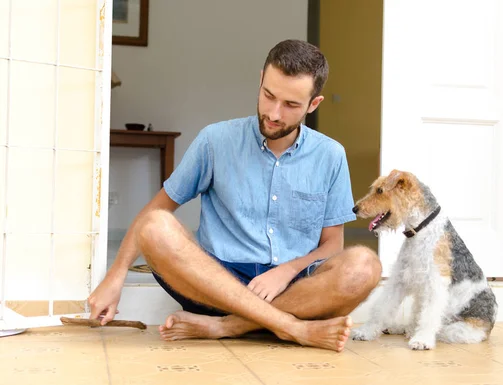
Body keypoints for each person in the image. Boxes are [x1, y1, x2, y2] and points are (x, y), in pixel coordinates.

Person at [88, 39, 382, 352]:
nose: (273, 113)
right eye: (268, 95)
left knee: (365, 266)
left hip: (294, 286)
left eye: (291, 105)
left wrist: (288, 270)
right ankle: (291, 326)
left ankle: (227, 326)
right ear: (260, 80)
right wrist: (115, 275)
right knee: (155, 225)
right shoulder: (215, 140)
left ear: (313, 104)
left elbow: (332, 245)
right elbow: (153, 213)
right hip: (215, 286)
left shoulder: (331, 155)